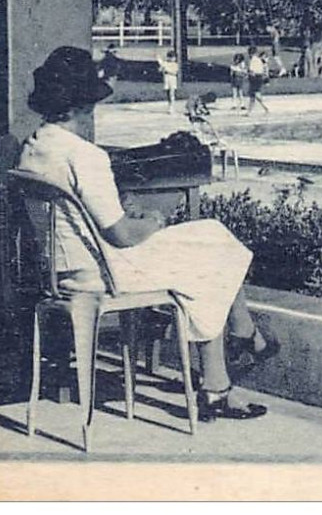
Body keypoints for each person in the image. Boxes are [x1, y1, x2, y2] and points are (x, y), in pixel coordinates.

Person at [16, 46, 273, 421]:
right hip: (103, 273)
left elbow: (79, 213)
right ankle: (229, 364)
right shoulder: (85, 155)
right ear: (85, 103)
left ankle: (237, 349)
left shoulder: (35, 146)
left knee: (212, 235)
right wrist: (153, 221)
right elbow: (120, 234)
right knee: (211, 259)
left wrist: (125, 212)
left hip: (63, 271)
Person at [245, 45, 270, 115]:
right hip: (258, 77)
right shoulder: (258, 60)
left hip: (255, 78)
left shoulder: (253, 60)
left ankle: (250, 111)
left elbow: (252, 71)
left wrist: (247, 74)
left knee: (254, 95)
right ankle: (251, 111)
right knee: (254, 95)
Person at [156, 48, 180, 114]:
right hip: (167, 79)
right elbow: (160, 70)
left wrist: (167, 69)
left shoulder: (175, 64)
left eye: (174, 58)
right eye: (171, 57)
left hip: (172, 79)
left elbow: (175, 72)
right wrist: (161, 67)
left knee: (172, 93)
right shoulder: (165, 63)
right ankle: (169, 106)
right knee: (167, 93)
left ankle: (172, 107)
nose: (173, 59)